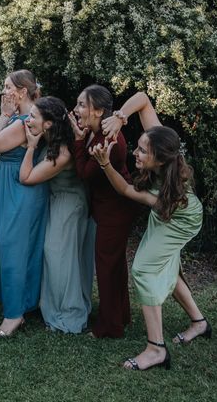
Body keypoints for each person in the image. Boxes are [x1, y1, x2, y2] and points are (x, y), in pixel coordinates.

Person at [93, 92, 209, 370]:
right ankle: (199, 322)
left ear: (160, 159)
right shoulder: (161, 143)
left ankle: (156, 349)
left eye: (142, 150)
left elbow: (124, 189)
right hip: (167, 210)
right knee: (166, 266)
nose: (135, 151)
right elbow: (143, 99)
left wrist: (106, 164)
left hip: (183, 218)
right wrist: (120, 118)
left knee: (145, 268)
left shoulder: (167, 187)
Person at [19, 96, 95, 334]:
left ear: (49, 124)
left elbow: (27, 178)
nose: (28, 120)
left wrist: (31, 147)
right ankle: (55, 304)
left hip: (70, 204)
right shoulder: (52, 139)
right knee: (61, 256)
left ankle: (69, 313)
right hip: (57, 201)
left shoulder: (62, 152)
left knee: (59, 256)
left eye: (33, 116)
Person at [68, 84, 136, 338]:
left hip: (115, 210)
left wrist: (77, 141)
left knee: (107, 266)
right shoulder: (97, 132)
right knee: (115, 265)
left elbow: (85, 174)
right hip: (110, 207)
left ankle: (109, 327)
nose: (76, 110)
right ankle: (121, 315)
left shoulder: (108, 139)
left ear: (97, 111)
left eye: (81, 105)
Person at [0, 70, 48, 337]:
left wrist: (4, 114)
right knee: (16, 244)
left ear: (22, 92)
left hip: (20, 186)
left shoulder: (27, 120)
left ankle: (14, 315)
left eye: (8, 86)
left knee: (15, 245)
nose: (4, 91)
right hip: (13, 184)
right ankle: (21, 303)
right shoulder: (26, 116)